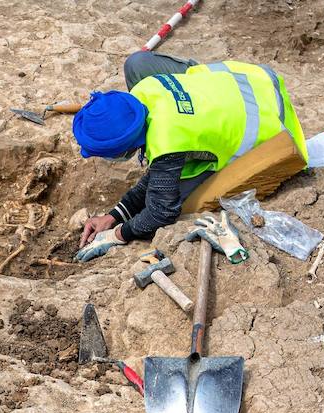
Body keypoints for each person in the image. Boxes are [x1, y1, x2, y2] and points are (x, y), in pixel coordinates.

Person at [74, 52, 307, 258]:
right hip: (256, 79)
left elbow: (161, 212)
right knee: (138, 62)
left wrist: (117, 234)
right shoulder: (146, 88)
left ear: (122, 148)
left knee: (179, 201)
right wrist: (114, 215)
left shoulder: (168, 140)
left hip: (275, 124)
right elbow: (158, 173)